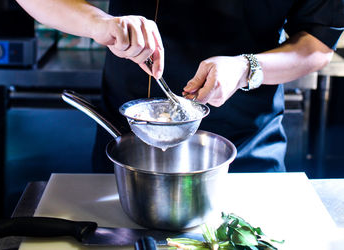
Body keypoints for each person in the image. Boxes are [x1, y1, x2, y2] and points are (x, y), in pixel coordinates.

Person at [17, 0, 344, 173]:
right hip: (128, 148)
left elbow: (317, 43)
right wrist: (97, 23)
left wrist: (246, 67)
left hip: (246, 151)